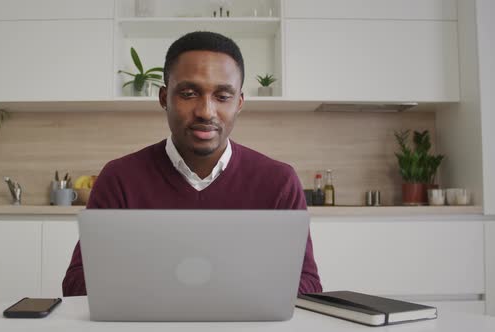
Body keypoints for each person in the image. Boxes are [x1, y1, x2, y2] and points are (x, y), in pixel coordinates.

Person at [62, 31, 322, 296]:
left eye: (222, 96)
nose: (206, 111)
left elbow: (308, 284)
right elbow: (76, 284)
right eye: (188, 93)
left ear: (239, 103)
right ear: (164, 98)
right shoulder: (119, 178)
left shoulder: (278, 181)